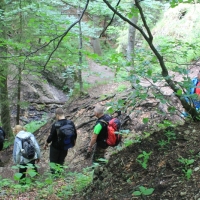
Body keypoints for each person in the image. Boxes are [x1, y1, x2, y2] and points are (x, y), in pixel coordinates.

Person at [44, 108, 77, 174]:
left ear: (57, 115)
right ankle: (60, 176)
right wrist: (73, 143)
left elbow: (51, 136)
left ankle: (54, 177)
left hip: (55, 147)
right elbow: (75, 134)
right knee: (61, 161)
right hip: (65, 146)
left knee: (53, 162)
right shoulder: (70, 123)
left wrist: (46, 143)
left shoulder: (56, 124)